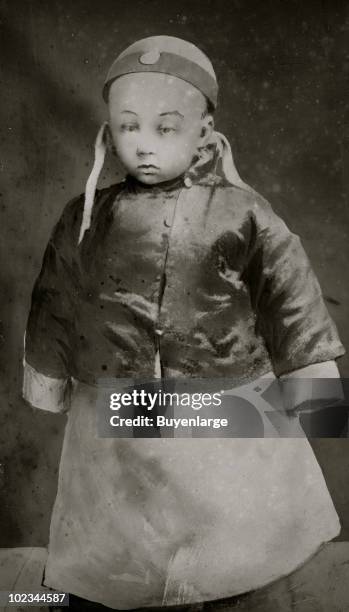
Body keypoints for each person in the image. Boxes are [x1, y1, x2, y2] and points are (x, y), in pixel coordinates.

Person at [22, 36, 345, 611]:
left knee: (232, 542)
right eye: (128, 127)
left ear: (204, 127)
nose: (142, 145)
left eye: (165, 128)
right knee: (127, 540)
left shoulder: (243, 212)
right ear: (109, 131)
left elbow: (289, 296)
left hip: (226, 400)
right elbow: (56, 297)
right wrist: (46, 374)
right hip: (118, 410)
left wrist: (314, 389)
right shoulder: (87, 217)